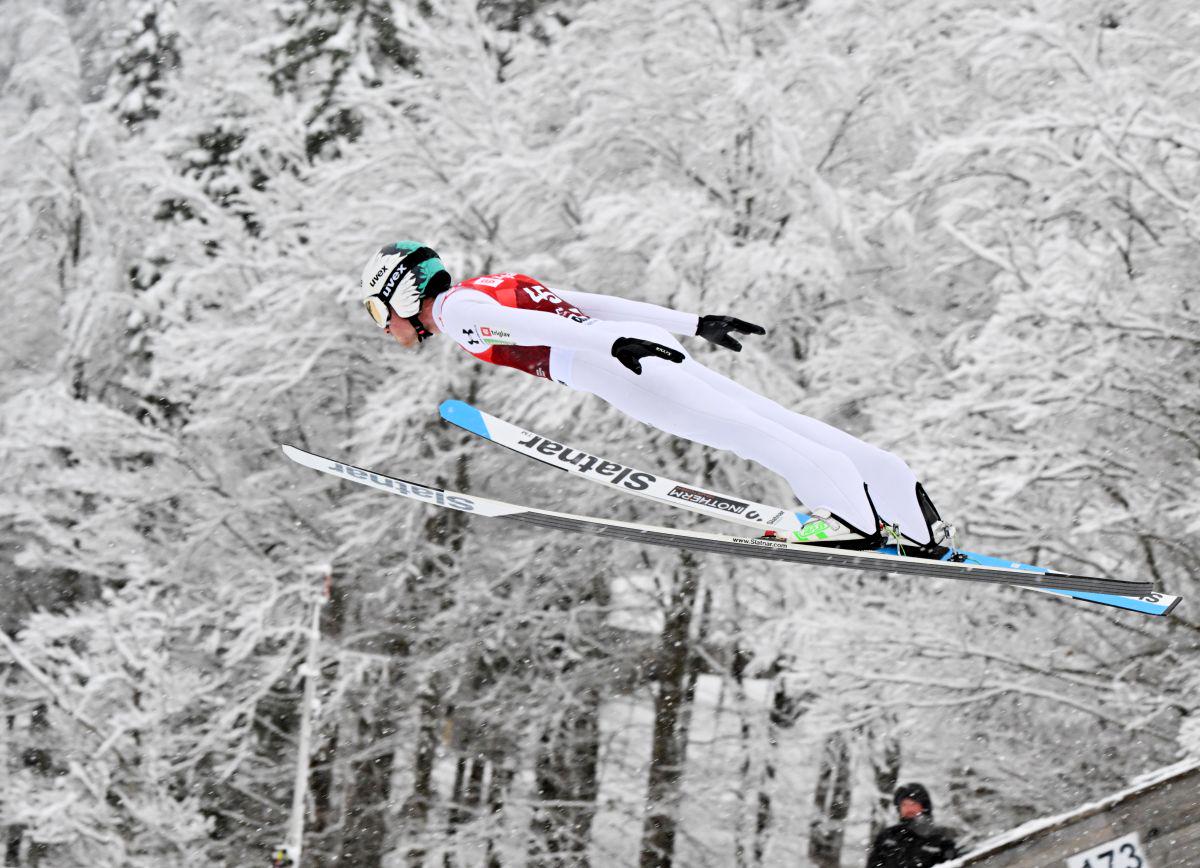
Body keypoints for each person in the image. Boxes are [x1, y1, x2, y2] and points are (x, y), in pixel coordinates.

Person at [360, 241, 955, 553]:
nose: (382, 326)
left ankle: (852, 521)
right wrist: (690, 323)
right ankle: (903, 505)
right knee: (765, 416)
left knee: (747, 431)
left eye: (377, 309)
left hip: (614, 364)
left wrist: (615, 345)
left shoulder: (460, 313)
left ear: (402, 293)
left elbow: (555, 328)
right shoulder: (483, 288)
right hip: (628, 348)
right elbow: (590, 302)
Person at [867, 783, 959, 868]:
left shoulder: (940, 838)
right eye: (904, 804)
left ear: (924, 806)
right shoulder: (888, 836)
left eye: (913, 803)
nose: (908, 808)